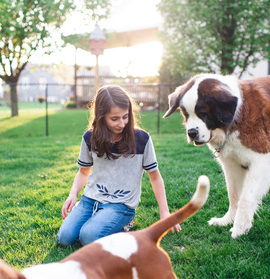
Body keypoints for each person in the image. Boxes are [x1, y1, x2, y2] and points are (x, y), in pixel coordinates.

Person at [58, 85, 180, 246]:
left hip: (121, 205)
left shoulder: (142, 139)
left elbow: (155, 177)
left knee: (88, 237)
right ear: (101, 117)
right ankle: (96, 219)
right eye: (114, 119)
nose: (122, 124)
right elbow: (83, 172)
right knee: (65, 238)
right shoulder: (90, 137)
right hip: (90, 200)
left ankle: (124, 224)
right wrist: (73, 194)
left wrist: (165, 212)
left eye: (125, 116)